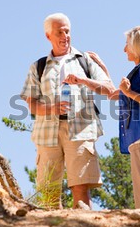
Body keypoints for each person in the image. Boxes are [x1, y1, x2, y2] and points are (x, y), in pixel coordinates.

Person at [20, 12, 114, 209]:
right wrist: (53, 108)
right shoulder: (38, 66)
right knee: (48, 192)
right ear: (48, 36)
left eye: (67, 31)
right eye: (59, 32)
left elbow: (109, 90)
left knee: (80, 188)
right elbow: (32, 105)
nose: (65, 35)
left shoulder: (85, 60)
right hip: (46, 134)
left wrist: (83, 80)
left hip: (80, 130)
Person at [92, 25, 140, 209]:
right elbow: (112, 93)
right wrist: (99, 68)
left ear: (136, 46)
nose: (124, 48)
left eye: (127, 44)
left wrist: (129, 93)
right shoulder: (137, 73)